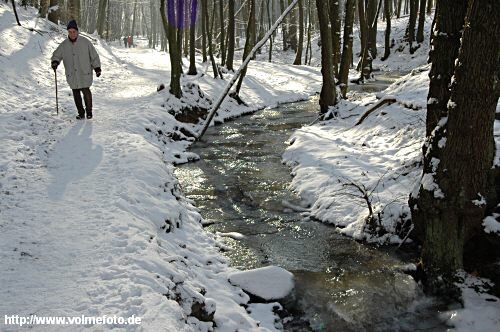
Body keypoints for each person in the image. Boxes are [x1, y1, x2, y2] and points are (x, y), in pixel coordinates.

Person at [51, 20, 101, 120]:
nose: (72, 34)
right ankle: (81, 113)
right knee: (76, 94)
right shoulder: (64, 45)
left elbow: (94, 56)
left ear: (77, 31)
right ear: (68, 32)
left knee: (86, 92)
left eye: (74, 31)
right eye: (70, 32)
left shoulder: (85, 42)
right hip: (72, 74)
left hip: (84, 72)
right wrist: (55, 62)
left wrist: (97, 68)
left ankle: (89, 111)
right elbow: (56, 54)